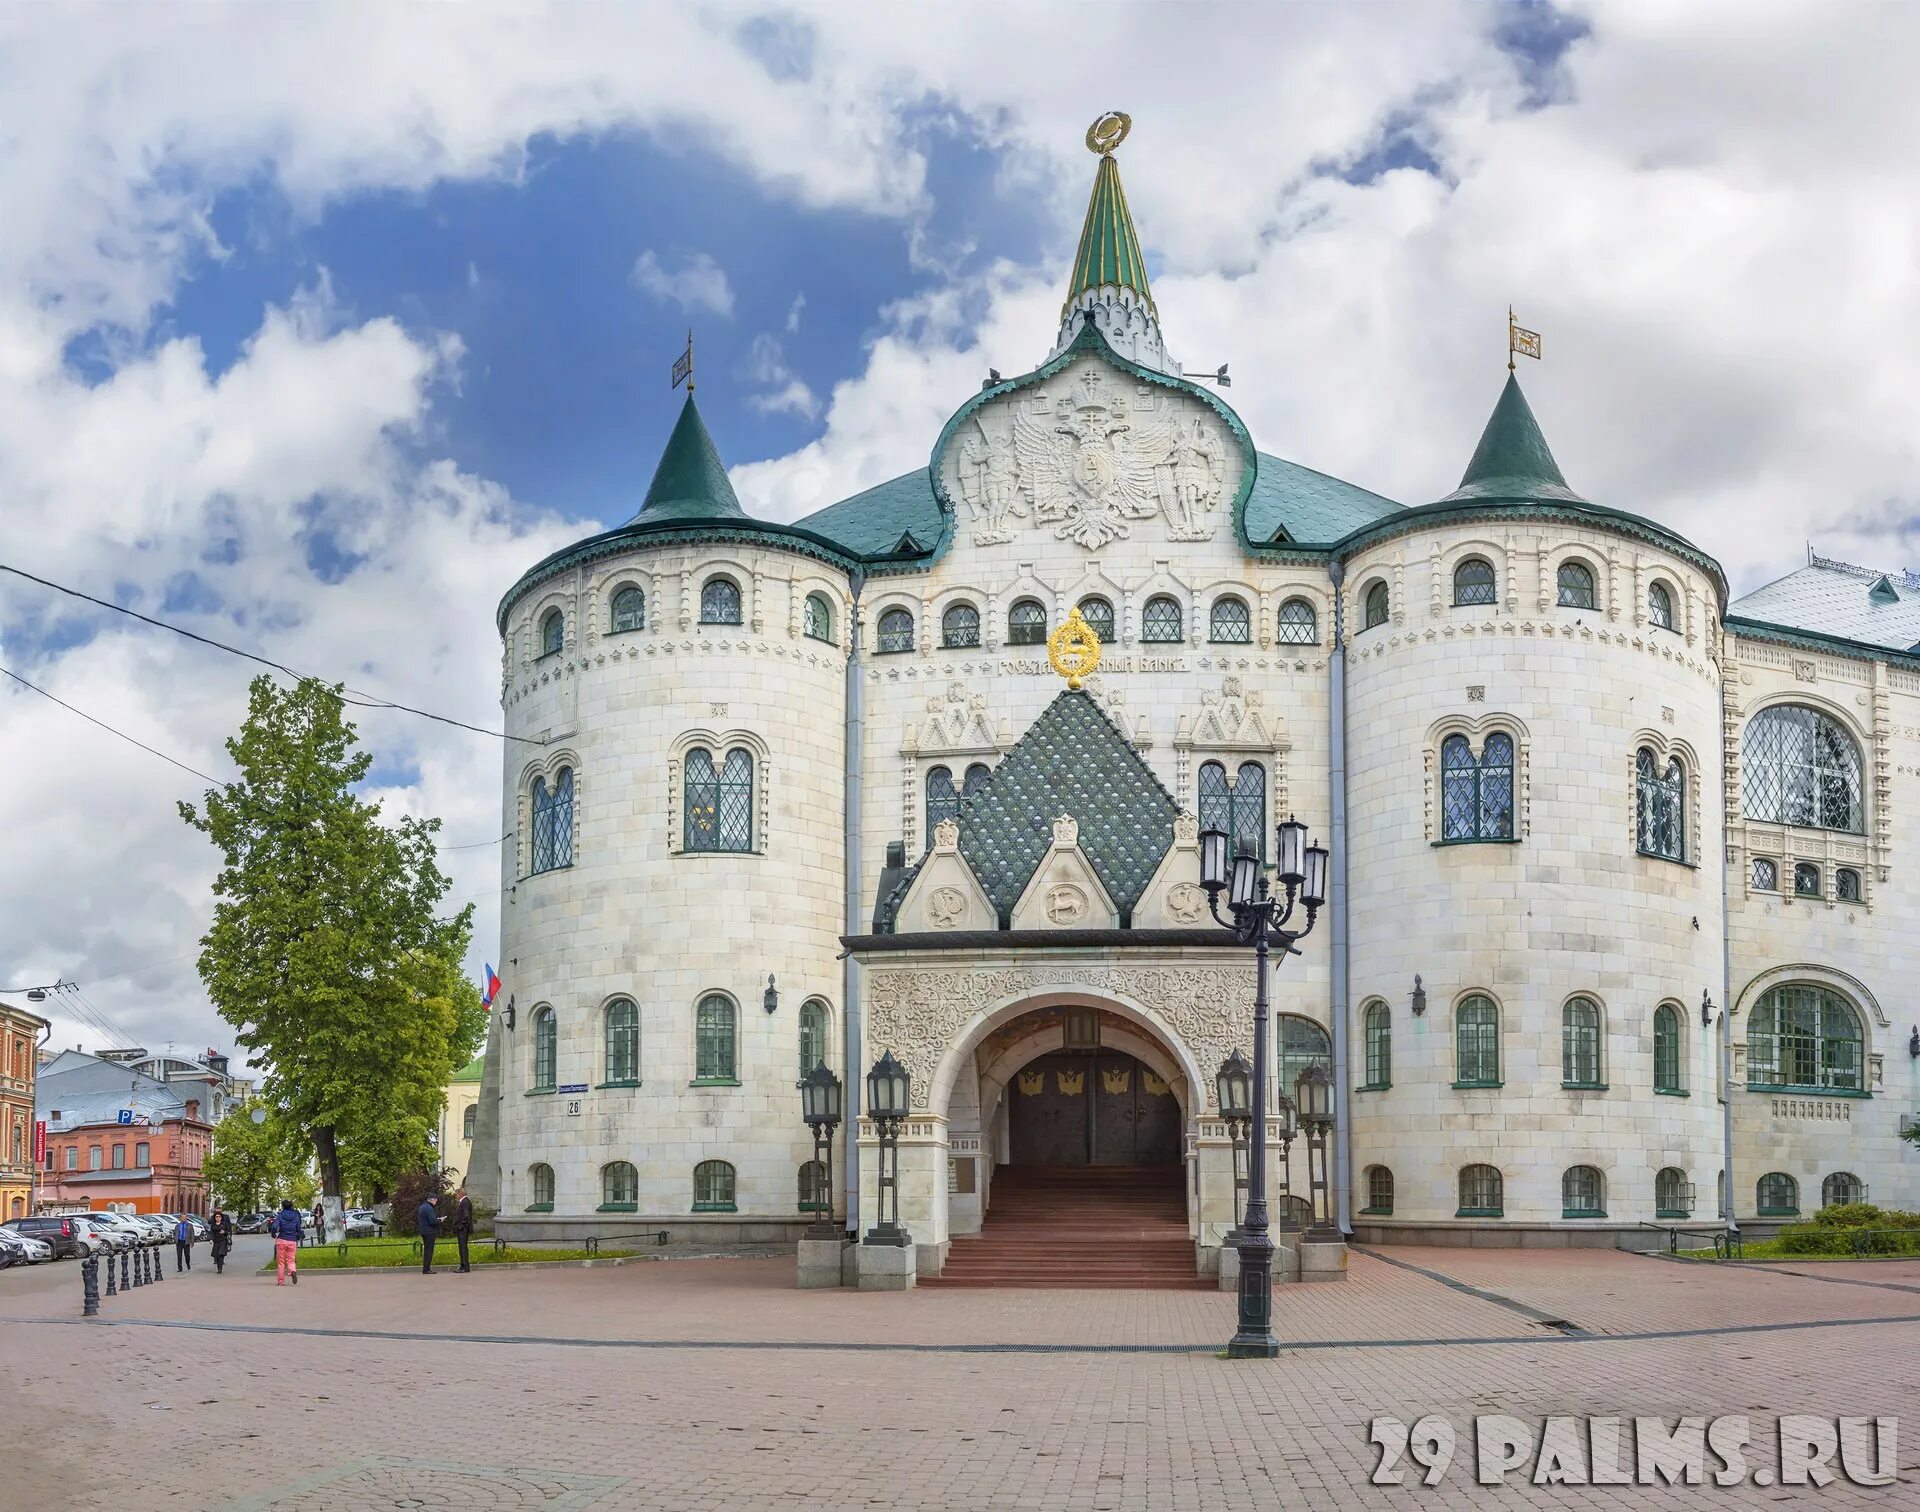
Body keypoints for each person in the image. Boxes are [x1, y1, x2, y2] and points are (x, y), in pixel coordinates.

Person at [272, 1198, 302, 1285]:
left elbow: (274, 1226)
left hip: (281, 1240)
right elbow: (298, 1228)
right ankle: (292, 1271)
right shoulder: (295, 1216)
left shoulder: (280, 1215)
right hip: (292, 1241)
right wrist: (298, 1236)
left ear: (283, 1206)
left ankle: (281, 1281)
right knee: (291, 1260)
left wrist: (274, 1234)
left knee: (281, 1262)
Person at [416, 1190, 442, 1274]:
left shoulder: (422, 1207)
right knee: (429, 1250)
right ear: (430, 1199)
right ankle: (427, 1269)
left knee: (426, 1250)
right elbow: (433, 1221)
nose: (436, 1201)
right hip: (430, 1232)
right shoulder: (429, 1209)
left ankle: (425, 1268)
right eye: (435, 1199)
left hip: (423, 1231)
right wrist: (440, 1220)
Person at [451, 1186, 474, 1273]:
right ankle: (463, 1265)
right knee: (462, 1247)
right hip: (463, 1228)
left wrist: (460, 1226)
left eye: (456, 1194)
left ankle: (464, 1266)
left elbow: (466, 1215)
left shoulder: (465, 1202)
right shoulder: (464, 1201)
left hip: (463, 1229)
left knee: (463, 1247)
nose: (456, 1196)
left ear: (460, 1193)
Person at [208, 1206, 233, 1274]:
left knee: (221, 1254)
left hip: (223, 1241)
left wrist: (224, 1232)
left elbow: (228, 1231)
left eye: (219, 1217)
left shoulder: (224, 1224)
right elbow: (211, 1232)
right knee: (217, 1255)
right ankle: (218, 1267)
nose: (218, 1218)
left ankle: (220, 1268)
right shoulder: (213, 1224)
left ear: (221, 1217)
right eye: (216, 1217)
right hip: (216, 1241)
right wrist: (211, 1239)